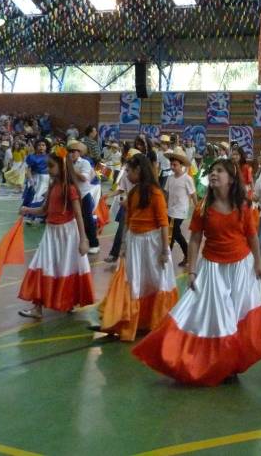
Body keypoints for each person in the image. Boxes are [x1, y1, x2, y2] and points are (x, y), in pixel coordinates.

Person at [131, 158, 261, 386]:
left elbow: (251, 238)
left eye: (220, 171)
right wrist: (191, 269)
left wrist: (257, 264)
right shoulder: (203, 207)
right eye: (212, 171)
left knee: (237, 316)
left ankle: (231, 363)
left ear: (231, 178)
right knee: (219, 318)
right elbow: (196, 239)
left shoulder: (244, 207)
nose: (214, 174)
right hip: (212, 268)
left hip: (241, 268)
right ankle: (214, 361)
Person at [95, 154, 177, 340]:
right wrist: (123, 244)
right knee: (135, 281)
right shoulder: (133, 193)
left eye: (130, 171)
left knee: (156, 280)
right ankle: (136, 319)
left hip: (153, 244)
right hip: (135, 242)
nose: (127, 175)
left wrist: (165, 250)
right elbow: (128, 221)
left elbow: (163, 223)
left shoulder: (155, 193)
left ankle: (155, 320)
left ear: (139, 170)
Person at [18, 153, 93, 318]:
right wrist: (28, 210)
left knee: (67, 267)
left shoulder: (70, 188)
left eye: (51, 166)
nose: (48, 169)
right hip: (51, 233)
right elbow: (44, 210)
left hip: (68, 234)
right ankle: (37, 307)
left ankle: (68, 301)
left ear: (62, 166)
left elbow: (79, 215)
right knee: (42, 265)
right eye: (48, 166)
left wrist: (83, 239)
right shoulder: (53, 186)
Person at [164, 146, 197, 267]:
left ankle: (167, 259)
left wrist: (197, 209)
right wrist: (164, 206)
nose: (172, 167)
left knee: (173, 233)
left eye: (175, 165)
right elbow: (167, 194)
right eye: (171, 165)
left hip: (181, 210)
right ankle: (187, 255)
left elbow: (193, 194)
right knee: (174, 233)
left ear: (181, 164)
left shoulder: (187, 179)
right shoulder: (170, 178)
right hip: (170, 210)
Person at [67, 140, 101, 255]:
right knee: (72, 220)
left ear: (79, 152)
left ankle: (94, 243)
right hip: (72, 195)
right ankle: (75, 242)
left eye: (74, 151)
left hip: (84, 195)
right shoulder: (66, 163)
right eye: (70, 151)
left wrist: (71, 168)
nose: (72, 154)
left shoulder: (84, 163)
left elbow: (84, 178)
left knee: (88, 220)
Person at [22, 138, 51, 225]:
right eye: (39, 145)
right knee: (37, 197)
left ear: (46, 147)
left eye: (43, 145)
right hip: (37, 179)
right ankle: (31, 216)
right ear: (36, 147)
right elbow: (28, 169)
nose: (41, 147)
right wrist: (30, 179)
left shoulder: (50, 156)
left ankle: (45, 216)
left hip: (49, 179)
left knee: (47, 197)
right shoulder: (32, 157)